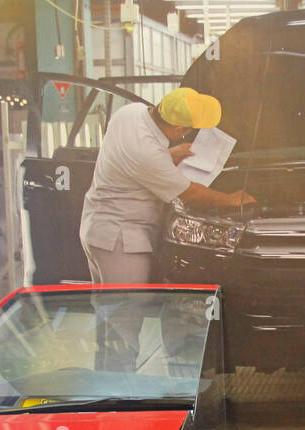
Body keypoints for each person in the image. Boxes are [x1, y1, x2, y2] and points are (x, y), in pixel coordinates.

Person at [80, 87, 254, 370]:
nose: (188, 135)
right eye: (188, 130)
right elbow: (190, 193)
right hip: (120, 239)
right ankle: (118, 391)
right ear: (176, 126)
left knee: (108, 312)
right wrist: (233, 200)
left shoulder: (130, 112)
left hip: (99, 228)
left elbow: (137, 153)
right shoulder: (146, 154)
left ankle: (108, 380)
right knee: (124, 317)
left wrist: (168, 153)